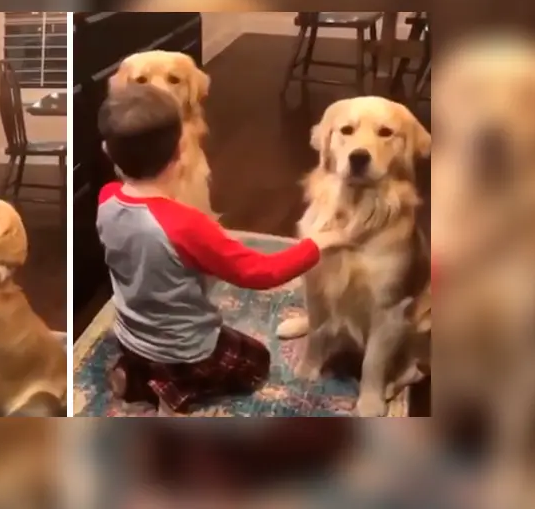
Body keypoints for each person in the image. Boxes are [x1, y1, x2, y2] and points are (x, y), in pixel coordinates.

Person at [95, 83, 351, 415]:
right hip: (185, 348)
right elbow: (260, 272)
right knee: (256, 361)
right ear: (181, 150)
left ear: (107, 151)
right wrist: (315, 245)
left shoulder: (107, 198)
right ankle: (171, 395)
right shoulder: (186, 224)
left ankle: (135, 374)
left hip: (130, 333)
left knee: (150, 354)